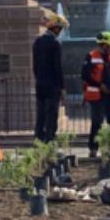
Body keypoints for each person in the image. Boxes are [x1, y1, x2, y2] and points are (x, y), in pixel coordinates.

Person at [82, 31, 110, 157]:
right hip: (97, 96)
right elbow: (85, 75)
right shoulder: (91, 56)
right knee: (97, 122)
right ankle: (93, 149)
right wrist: (100, 86)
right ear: (104, 45)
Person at [33, 12, 68, 142]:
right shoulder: (55, 44)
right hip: (53, 86)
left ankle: (38, 140)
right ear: (56, 28)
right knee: (51, 115)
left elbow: (35, 65)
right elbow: (58, 67)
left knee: (40, 115)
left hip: (40, 84)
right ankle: (50, 141)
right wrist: (62, 87)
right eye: (60, 28)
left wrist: (39, 79)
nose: (61, 31)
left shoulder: (37, 41)